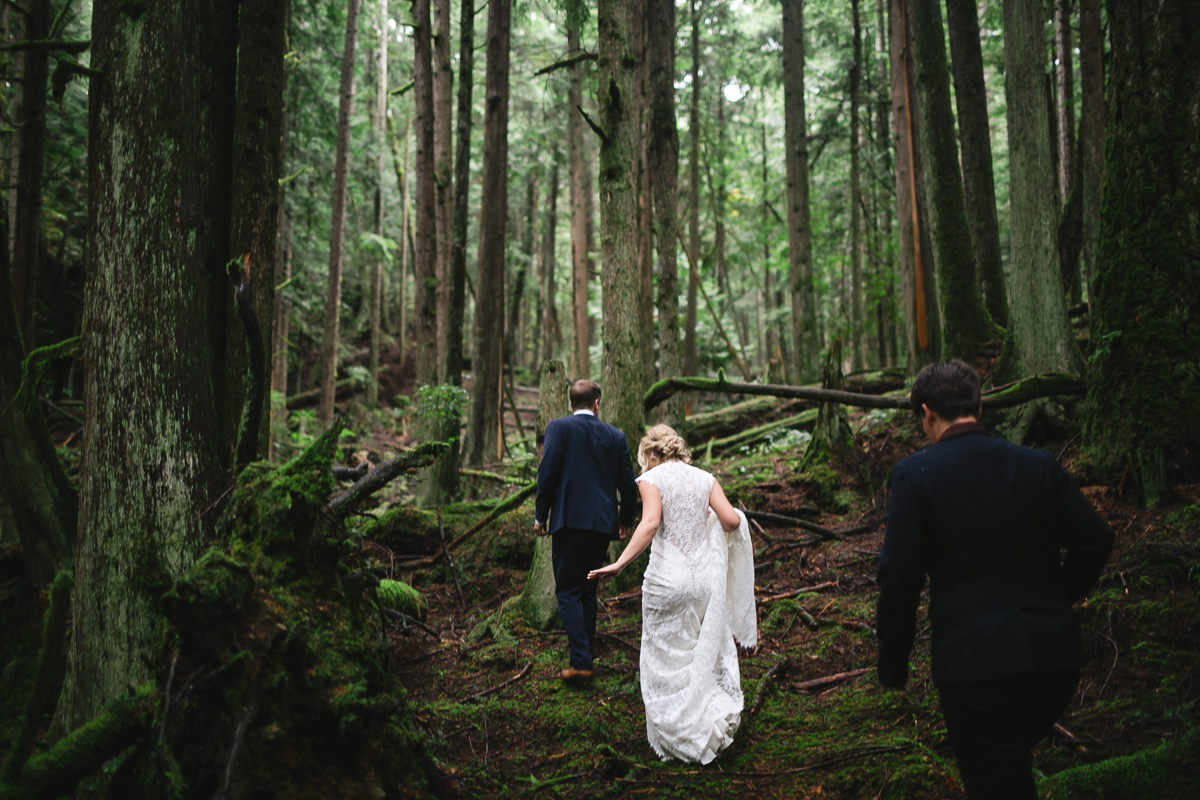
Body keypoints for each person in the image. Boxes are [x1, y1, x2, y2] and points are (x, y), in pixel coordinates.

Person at [877, 360, 1113, 800]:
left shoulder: (915, 474)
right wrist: (1058, 600)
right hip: (1054, 662)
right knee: (1008, 769)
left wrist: (893, 663)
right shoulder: (1038, 465)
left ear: (927, 413)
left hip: (975, 667)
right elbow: (1095, 540)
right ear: (978, 409)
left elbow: (898, 576)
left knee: (997, 780)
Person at [588, 425, 756, 764]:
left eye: (643, 459)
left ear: (651, 455)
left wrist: (619, 563)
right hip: (702, 582)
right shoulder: (705, 478)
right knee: (695, 654)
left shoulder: (651, 479)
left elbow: (650, 523)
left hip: (667, 581)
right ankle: (704, 726)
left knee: (662, 657)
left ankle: (675, 738)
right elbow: (731, 522)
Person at [534, 379, 639, 681]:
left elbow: (548, 473)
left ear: (571, 404)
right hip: (601, 525)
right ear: (596, 404)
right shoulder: (615, 436)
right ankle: (586, 654)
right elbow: (627, 483)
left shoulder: (558, 428)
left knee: (568, 590)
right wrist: (625, 520)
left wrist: (541, 516)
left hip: (568, 521)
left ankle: (581, 662)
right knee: (588, 590)